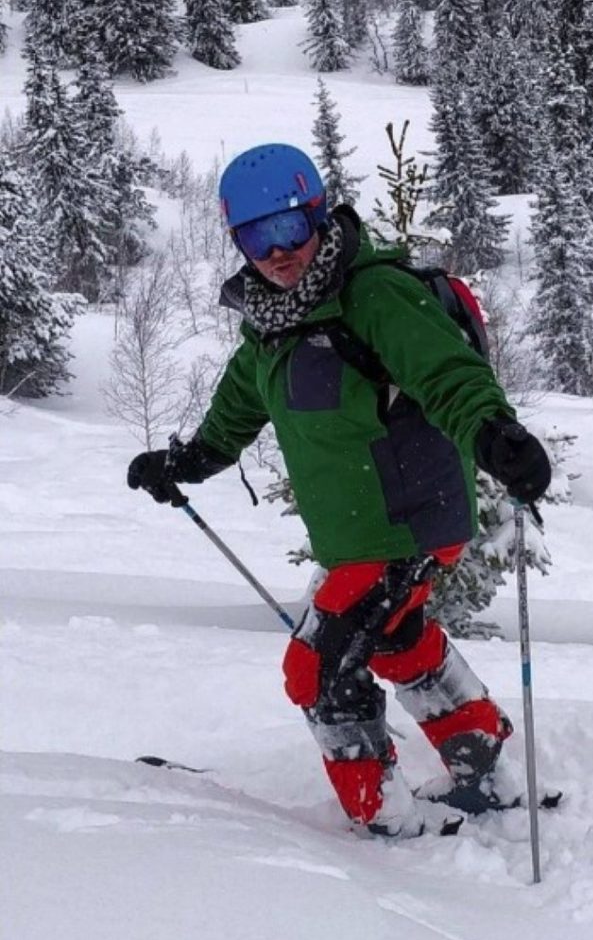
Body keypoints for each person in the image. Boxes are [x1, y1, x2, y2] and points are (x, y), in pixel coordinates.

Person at [127, 144, 551, 837]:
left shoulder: (374, 295)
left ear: (319, 216)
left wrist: (494, 433)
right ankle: (483, 767)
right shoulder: (270, 326)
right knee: (397, 639)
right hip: (360, 532)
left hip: (405, 522)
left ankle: (381, 818)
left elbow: (447, 373)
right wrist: (183, 463)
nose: (277, 252)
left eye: (289, 227)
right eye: (255, 237)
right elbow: (234, 414)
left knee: (316, 668)